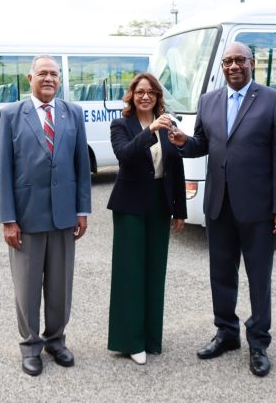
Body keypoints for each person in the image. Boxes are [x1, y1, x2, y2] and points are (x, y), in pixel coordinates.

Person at [169, 42, 276, 377]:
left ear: (252, 63)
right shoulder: (208, 101)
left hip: (258, 208)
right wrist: (183, 142)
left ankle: (258, 341)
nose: (233, 66)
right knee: (221, 274)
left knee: (258, 278)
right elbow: (203, 145)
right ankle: (226, 333)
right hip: (219, 205)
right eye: (228, 61)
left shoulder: (273, 101)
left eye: (240, 60)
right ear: (222, 67)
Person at [0, 55, 91, 377]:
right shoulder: (10, 115)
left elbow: (81, 167)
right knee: (27, 286)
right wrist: (8, 219)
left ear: (59, 80)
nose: (49, 78)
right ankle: (30, 346)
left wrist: (82, 210)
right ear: (30, 77)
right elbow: (3, 170)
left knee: (60, 286)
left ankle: (56, 340)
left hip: (64, 216)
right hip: (27, 218)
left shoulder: (73, 113)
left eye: (54, 74)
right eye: (43, 73)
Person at [106, 73, 187, 365]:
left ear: (158, 96)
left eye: (151, 92)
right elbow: (124, 154)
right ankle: (130, 341)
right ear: (132, 95)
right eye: (140, 91)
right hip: (129, 205)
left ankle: (151, 338)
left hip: (159, 203)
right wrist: (150, 130)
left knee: (155, 272)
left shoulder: (169, 125)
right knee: (130, 274)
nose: (145, 96)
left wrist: (180, 210)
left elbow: (175, 167)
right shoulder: (121, 125)